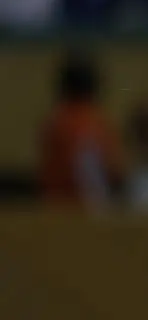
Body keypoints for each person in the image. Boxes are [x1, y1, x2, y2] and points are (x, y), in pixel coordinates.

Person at [38, 54, 121, 209]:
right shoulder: (98, 124)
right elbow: (110, 173)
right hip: (84, 210)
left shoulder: (56, 124)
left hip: (58, 210)